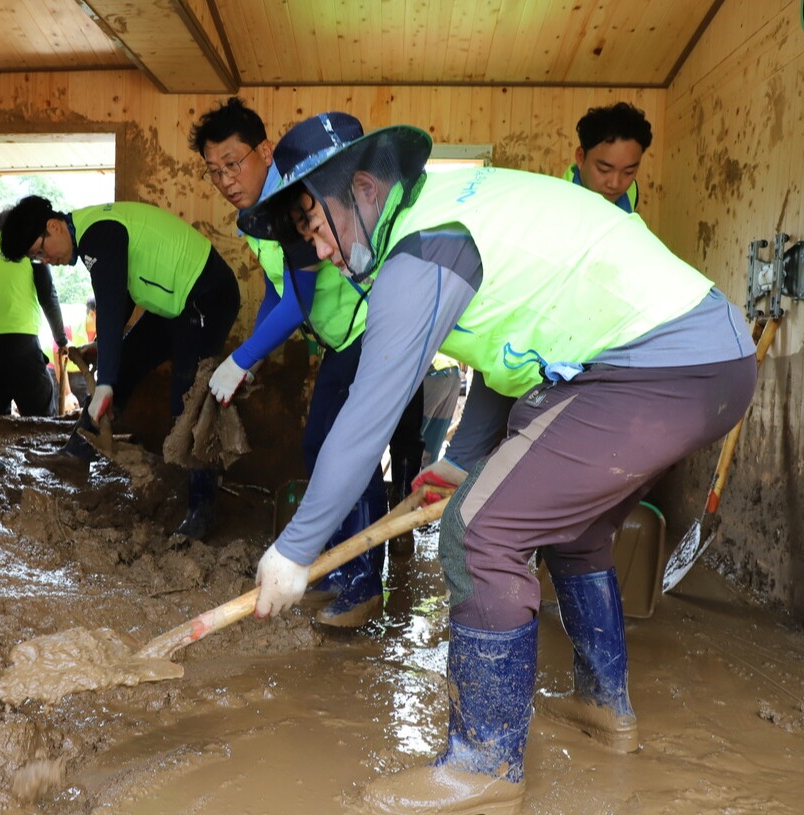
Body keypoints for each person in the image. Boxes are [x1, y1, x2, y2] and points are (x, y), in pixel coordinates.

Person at [238, 112, 757, 814]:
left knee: (482, 530)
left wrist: (294, 549)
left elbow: (365, 419)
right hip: (699, 362)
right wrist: (456, 462)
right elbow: (505, 357)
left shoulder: (421, 252)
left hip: (658, 366)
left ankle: (481, 767)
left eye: (316, 224)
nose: (321, 249)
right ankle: (605, 707)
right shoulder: (455, 212)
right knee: (571, 530)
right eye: (306, 238)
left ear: (361, 187)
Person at [189, 97, 423, 627]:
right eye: (214, 170)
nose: (225, 178)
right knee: (320, 444)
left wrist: (244, 356)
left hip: (370, 327)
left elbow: (298, 303)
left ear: (263, 152)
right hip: (344, 338)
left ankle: (363, 585)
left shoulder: (298, 193)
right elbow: (282, 289)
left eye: (233, 162)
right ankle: (344, 570)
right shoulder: (257, 217)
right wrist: (247, 354)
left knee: (341, 446)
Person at [0, 196, 240, 539]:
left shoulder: (98, 233)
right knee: (125, 363)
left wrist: (106, 381)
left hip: (207, 295)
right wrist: (109, 356)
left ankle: (202, 507)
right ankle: (77, 453)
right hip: (174, 302)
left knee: (188, 399)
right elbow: (123, 295)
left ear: (52, 227)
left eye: (40, 251)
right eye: (37, 259)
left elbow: (110, 305)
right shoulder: (90, 233)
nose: (45, 260)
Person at [0, 209, 67, 417]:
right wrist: (61, 340)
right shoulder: (29, 252)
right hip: (21, 346)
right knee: (40, 417)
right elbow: (49, 300)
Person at [563, 101, 652, 213]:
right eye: (604, 170)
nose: (615, 184)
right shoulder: (558, 201)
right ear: (581, 157)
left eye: (629, 172)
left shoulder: (632, 190)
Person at [419, 352, 462, 466]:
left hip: (433, 371)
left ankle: (407, 483)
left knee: (408, 443)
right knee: (432, 447)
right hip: (454, 372)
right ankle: (424, 482)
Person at [65, 296, 98, 405]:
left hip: (79, 371)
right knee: (59, 407)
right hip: (57, 369)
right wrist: (67, 394)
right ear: (92, 314)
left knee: (85, 404)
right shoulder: (71, 326)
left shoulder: (102, 332)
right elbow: (59, 360)